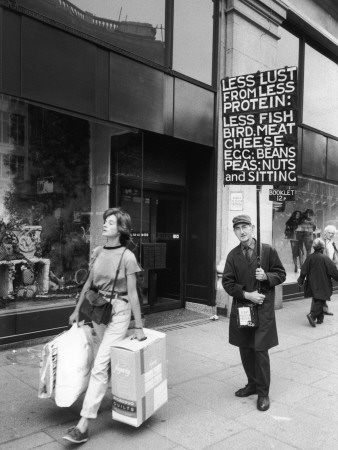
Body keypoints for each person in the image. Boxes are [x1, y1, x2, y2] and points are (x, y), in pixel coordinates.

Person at [63, 207, 145, 444]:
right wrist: (77, 310)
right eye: (105, 221)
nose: (105, 225)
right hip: (98, 308)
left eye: (110, 222)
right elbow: (88, 283)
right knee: (102, 356)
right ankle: (106, 398)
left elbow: (133, 294)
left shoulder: (127, 257)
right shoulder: (98, 251)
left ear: (120, 228)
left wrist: (138, 326)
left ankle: (84, 424)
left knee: (100, 364)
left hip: (119, 311)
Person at [222, 215, 286, 412]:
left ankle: (263, 392)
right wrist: (247, 294)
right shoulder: (233, 255)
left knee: (260, 350)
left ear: (253, 228)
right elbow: (227, 283)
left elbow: (281, 274)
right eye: (238, 228)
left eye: (245, 227)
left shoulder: (266, 251)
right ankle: (251, 383)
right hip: (243, 308)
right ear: (234, 231)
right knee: (245, 347)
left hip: (263, 310)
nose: (242, 231)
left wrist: (266, 276)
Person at [298, 238, 338, 327]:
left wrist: (300, 281)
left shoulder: (310, 257)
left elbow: (303, 270)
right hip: (323, 283)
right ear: (323, 248)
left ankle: (320, 319)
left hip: (312, 283)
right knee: (320, 299)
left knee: (318, 298)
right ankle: (312, 316)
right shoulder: (325, 258)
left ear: (314, 247)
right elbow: (333, 271)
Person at [323, 225, 338, 316]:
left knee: (327, 289)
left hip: (329, 268)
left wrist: (334, 263)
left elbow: (334, 255)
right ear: (325, 232)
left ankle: (323, 308)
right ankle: (315, 311)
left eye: (333, 233)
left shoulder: (332, 243)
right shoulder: (321, 242)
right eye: (330, 233)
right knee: (321, 290)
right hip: (322, 269)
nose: (331, 234)